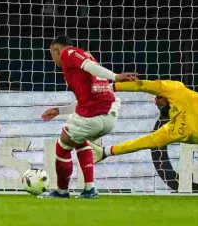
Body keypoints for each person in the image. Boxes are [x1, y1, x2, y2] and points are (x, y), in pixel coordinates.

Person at [38, 35, 136, 199]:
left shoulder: (68, 53)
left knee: (62, 144)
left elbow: (89, 66)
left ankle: (62, 192)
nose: (54, 59)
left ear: (56, 49)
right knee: (78, 138)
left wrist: (115, 76)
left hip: (94, 115)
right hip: (109, 115)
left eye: (52, 55)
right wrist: (59, 110)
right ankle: (89, 189)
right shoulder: (84, 58)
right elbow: (88, 97)